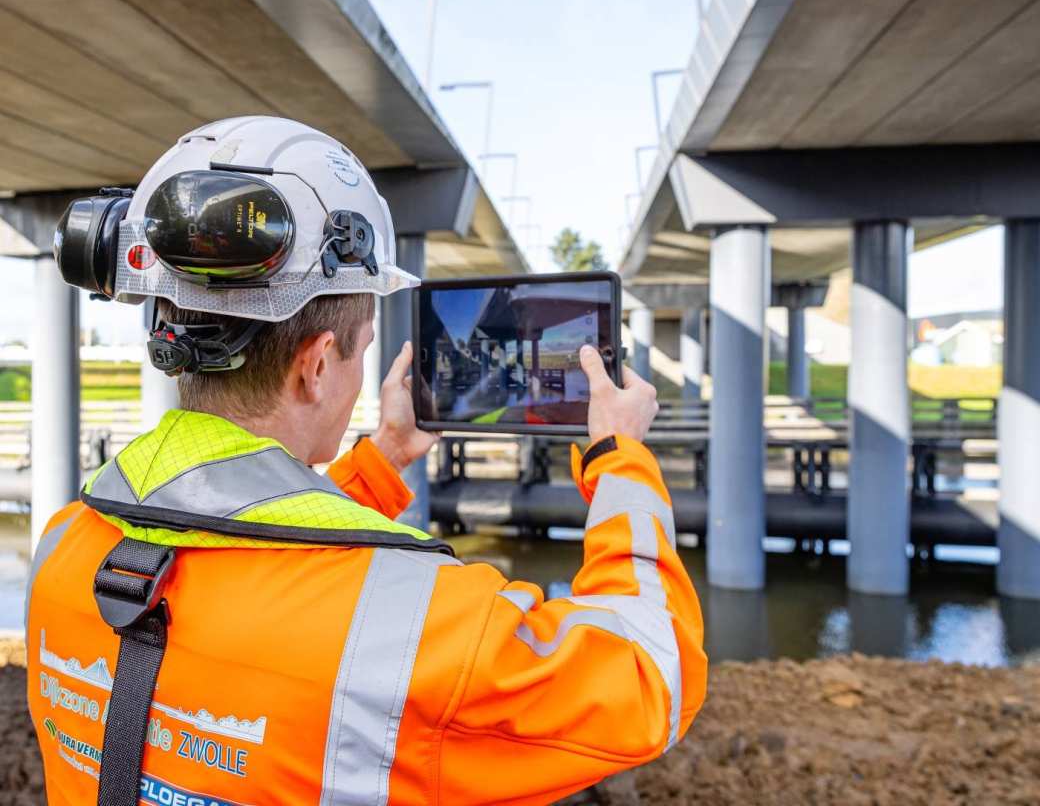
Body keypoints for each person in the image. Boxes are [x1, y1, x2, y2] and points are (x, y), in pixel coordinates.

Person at [27, 116, 707, 806]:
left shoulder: (63, 550)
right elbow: (652, 678)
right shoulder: (421, 628)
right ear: (319, 365)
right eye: (361, 349)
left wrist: (383, 460)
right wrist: (618, 458)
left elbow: (247, 542)